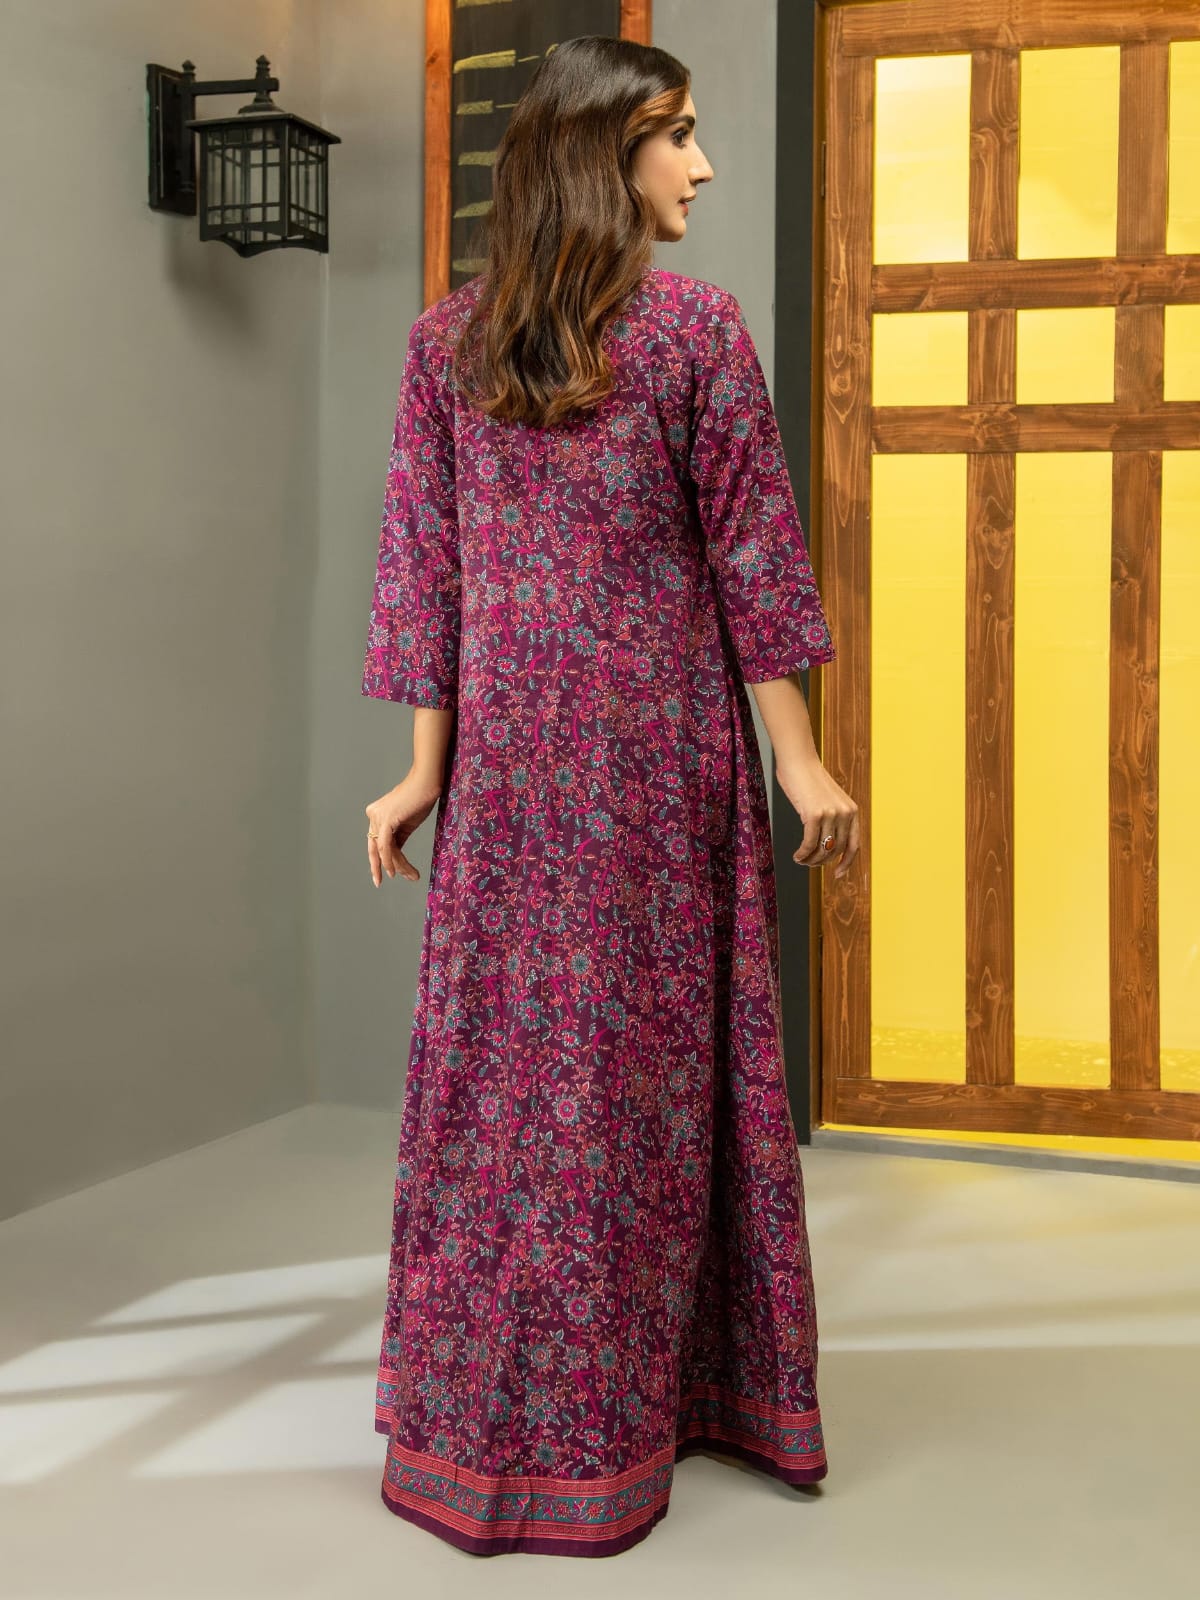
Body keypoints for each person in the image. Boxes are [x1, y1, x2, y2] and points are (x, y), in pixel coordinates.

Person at [360, 34, 859, 1558]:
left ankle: (599, 1406)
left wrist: (794, 754)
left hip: (608, 766)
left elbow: (742, 555)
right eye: (676, 135)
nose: (703, 164)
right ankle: (567, 1416)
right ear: (599, 152)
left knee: (570, 1087)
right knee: (590, 1087)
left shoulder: (672, 330)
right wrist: (424, 771)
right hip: (577, 771)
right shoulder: (472, 346)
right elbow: (434, 561)